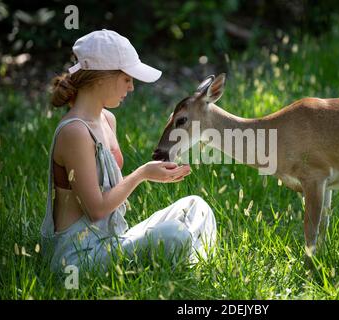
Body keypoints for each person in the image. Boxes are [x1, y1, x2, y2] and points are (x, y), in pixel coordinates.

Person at [40, 29, 217, 274]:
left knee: (197, 206)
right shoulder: (75, 132)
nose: (132, 87)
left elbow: (109, 192)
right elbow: (97, 209)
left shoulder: (107, 120)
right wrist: (142, 174)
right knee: (174, 234)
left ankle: (184, 259)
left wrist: (154, 173)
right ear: (101, 77)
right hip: (78, 257)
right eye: (126, 78)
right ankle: (185, 258)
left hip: (113, 241)